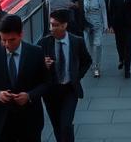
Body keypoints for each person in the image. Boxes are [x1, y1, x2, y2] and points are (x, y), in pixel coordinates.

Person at [0, 14, 50, 142]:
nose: (7, 44)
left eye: (11, 40)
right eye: (3, 40)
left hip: (30, 122)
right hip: (2, 123)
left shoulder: (36, 53)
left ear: (21, 35)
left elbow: (46, 83)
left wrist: (29, 96)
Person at [38, 9, 92, 142]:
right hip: (51, 92)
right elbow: (35, 66)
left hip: (69, 90)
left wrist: (77, 76)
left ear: (64, 25)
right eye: (51, 24)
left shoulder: (77, 42)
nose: (52, 28)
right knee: (57, 126)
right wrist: (43, 65)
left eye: (55, 25)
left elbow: (87, 61)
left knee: (66, 125)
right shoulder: (44, 43)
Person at [81, 0, 108, 77]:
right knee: (89, 46)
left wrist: (106, 25)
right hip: (88, 26)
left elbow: (104, 11)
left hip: (97, 25)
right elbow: (83, 12)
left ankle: (97, 67)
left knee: (98, 45)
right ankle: (92, 63)